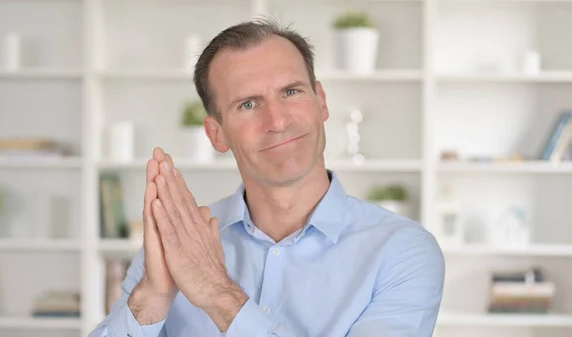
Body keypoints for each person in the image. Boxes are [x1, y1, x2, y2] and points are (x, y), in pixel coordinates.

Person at [89, 17, 445, 337]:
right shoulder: (179, 246)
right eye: (248, 104)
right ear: (216, 134)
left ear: (321, 101)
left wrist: (216, 291)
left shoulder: (402, 252)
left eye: (291, 92)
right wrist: (152, 296)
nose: (277, 121)